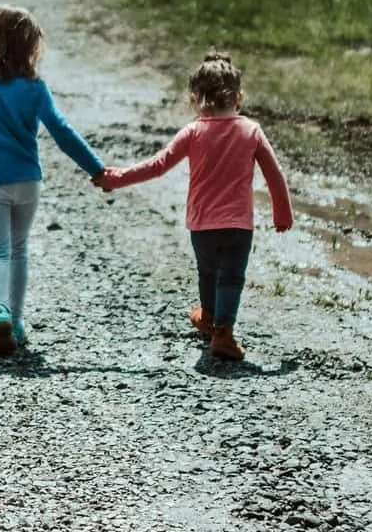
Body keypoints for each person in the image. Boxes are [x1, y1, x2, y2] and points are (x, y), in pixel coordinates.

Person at [99, 52, 293, 364]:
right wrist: (282, 212)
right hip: (238, 225)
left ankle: (210, 318)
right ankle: (223, 332)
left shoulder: (193, 132)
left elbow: (158, 165)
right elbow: (274, 174)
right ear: (239, 98)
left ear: (194, 99)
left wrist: (117, 178)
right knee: (231, 276)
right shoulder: (251, 131)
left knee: (207, 271)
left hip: (201, 224)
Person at [0, 5, 105, 357]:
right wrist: (96, 169)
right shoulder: (34, 89)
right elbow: (62, 132)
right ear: (28, 47)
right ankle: (15, 322)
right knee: (19, 249)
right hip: (27, 181)